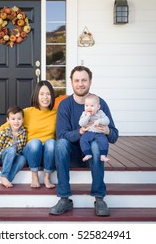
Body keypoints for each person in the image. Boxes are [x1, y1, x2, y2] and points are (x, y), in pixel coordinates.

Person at [49, 66, 119, 216]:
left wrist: (107, 130)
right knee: (60, 144)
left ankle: (99, 198)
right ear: (71, 82)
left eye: (84, 80)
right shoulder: (65, 105)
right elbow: (61, 135)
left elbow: (114, 136)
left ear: (90, 82)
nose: (80, 84)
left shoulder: (100, 104)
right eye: (77, 80)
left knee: (95, 145)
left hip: (93, 156)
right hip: (72, 155)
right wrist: (81, 131)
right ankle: (64, 198)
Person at [0, 80, 57, 189]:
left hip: (47, 154)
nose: (45, 97)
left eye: (48, 94)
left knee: (52, 143)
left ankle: (47, 177)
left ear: (52, 96)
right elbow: (3, 127)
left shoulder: (56, 113)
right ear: (36, 95)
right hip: (31, 152)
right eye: (42, 94)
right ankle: (34, 176)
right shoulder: (27, 112)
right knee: (35, 142)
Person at [0, 105, 27, 188]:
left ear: (23, 120)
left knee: (23, 159)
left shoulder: (24, 132)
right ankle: (4, 175)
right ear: (8, 120)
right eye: (13, 119)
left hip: (14, 157)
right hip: (3, 158)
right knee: (11, 150)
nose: (16, 121)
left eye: (19, 119)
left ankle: (8, 178)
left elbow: (22, 148)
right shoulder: (4, 132)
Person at [79, 94, 110, 163]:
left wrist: (99, 121)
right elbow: (81, 123)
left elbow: (107, 120)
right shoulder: (84, 114)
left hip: (99, 132)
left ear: (98, 107)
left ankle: (103, 155)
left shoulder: (101, 113)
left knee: (104, 141)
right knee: (83, 140)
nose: (89, 108)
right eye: (86, 106)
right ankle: (87, 154)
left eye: (92, 106)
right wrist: (87, 117)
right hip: (89, 132)